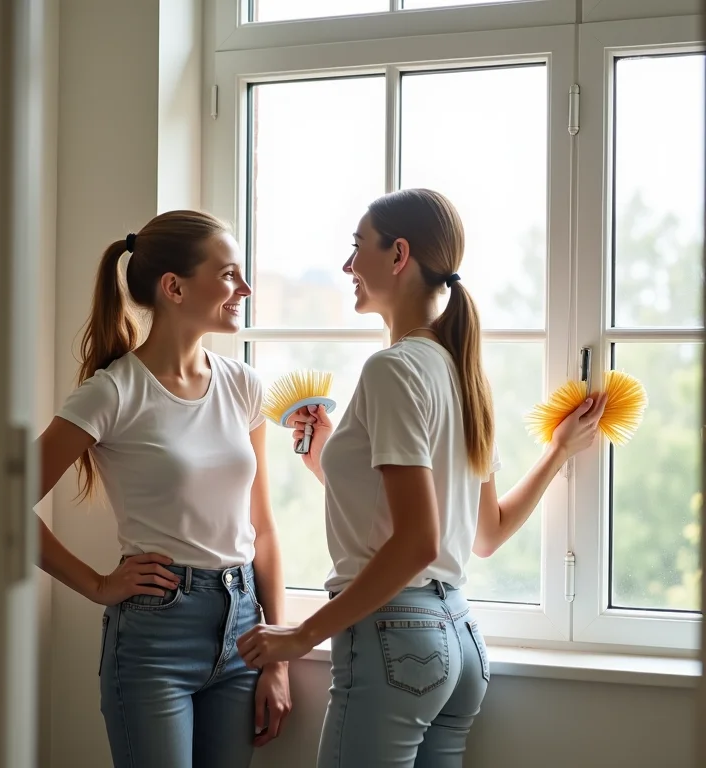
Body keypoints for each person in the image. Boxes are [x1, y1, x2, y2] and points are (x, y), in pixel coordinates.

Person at [237, 189, 606, 767]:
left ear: (398, 254)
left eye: (357, 247)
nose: (348, 265)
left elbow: (416, 542)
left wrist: (302, 634)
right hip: (457, 641)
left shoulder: (393, 368)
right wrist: (557, 453)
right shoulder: (459, 372)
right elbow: (486, 531)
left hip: (395, 641)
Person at [35, 210, 291, 768]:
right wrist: (99, 584)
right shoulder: (111, 393)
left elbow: (263, 527)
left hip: (244, 624)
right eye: (228, 275)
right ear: (173, 287)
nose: (244, 289)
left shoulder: (243, 385)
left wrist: (278, 658)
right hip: (156, 638)